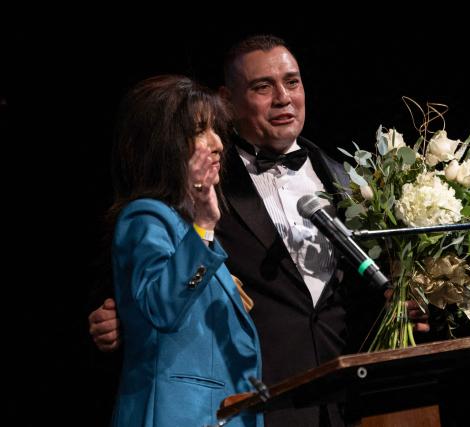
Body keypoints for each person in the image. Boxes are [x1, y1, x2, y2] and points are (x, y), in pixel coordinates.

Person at [89, 36, 428, 426]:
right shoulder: (201, 182)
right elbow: (141, 275)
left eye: (292, 82)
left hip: (346, 400)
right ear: (228, 101)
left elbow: (350, 296)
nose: (283, 97)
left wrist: (401, 307)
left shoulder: (349, 181)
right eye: (262, 86)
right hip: (254, 402)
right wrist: (116, 315)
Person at [106, 74, 261, 427]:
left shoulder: (185, 228)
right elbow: (161, 307)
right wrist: (205, 225)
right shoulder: (145, 216)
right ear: (166, 146)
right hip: (176, 414)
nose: (218, 143)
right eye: (200, 131)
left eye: (215, 129)